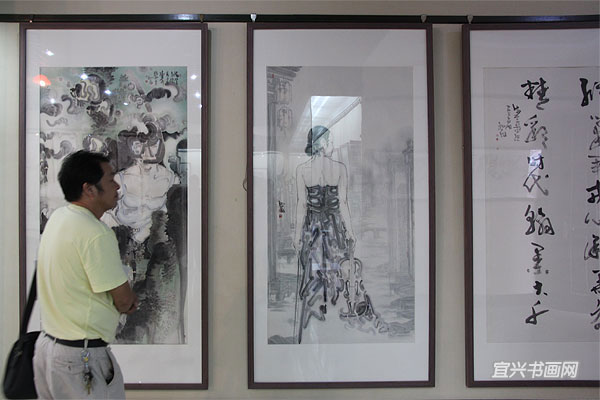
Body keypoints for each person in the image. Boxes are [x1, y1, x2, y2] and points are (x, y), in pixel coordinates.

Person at [33, 150, 138, 399]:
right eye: (110, 179)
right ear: (89, 189)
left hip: (48, 349)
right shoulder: (95, 233)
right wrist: (129, 300)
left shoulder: (59, 218)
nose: (117, 186)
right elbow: (124, 301)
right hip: (80, 357)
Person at [293, 126, 404, 344]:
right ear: (322, 144)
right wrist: (350, 231)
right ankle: (341, 312)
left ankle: (319, 319)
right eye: (330, 141)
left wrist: (297, 235)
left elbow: (302, 205)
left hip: (312, 228)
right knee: (340, 267)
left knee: (315, 270)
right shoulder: (340, 169)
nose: (332, 144)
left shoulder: (302, 170)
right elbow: (343, 204)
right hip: (335, 226)